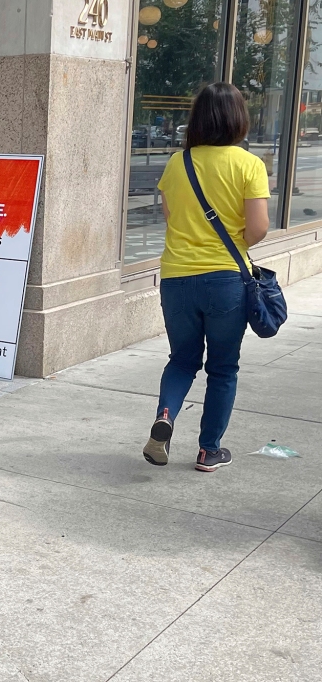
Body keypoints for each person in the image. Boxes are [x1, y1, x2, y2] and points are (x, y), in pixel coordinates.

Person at [143, 82, 270, 472]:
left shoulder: (176, 164)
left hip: (177, 278)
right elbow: (259, 229)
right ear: (239, 119)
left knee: (181, 360)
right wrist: (238, 242)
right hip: (226, 280)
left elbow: (171, 219)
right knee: (222, 367)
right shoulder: (249, 165)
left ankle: (165, 415)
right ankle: (208, 450)